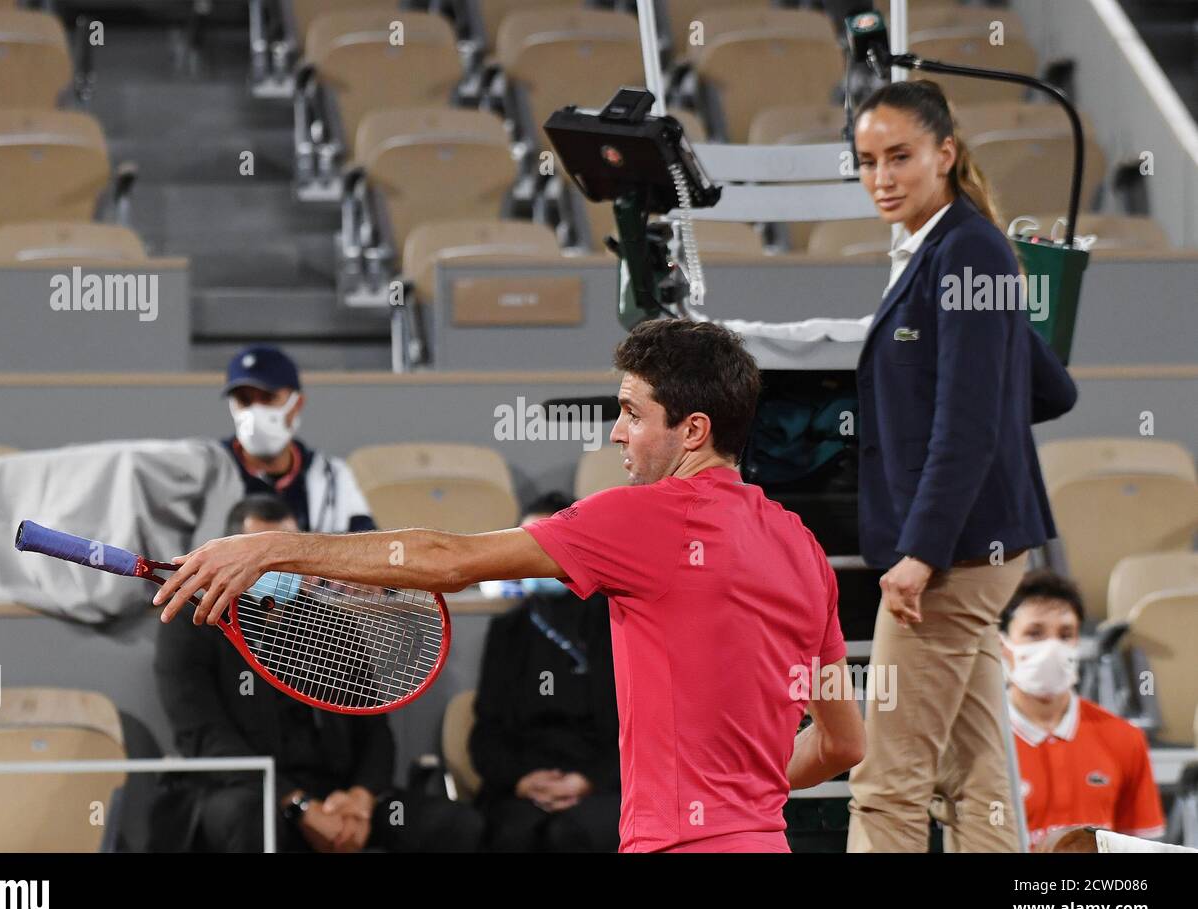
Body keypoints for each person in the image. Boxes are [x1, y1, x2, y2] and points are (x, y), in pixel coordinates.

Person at [153, 318, 867, 854]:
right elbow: (843, 744)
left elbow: (446, 557)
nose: (616, 433)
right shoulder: (802, 547)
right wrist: (743, 795)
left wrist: (278, 547)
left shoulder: (643, 518)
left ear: (694, 430)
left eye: (632, 412)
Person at [844, 80, 1079, 853]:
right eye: (868, 161)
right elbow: (1051, 388)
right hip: (979, 551)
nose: (882, 176)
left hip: (949, 558)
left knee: (886, 782)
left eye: (900, 156)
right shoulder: (963, 246)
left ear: (945, 154)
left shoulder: (967, 248)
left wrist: (920, 551)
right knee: (978, 781)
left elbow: (971, 419)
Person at [153, 494, 482, 853]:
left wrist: (360, 799)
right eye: (264, 558)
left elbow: (375, 732)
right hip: (251, 794)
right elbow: (203, 738)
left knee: (455, 825)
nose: (279, 569)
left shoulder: (331, 622)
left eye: (285, 554)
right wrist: (297, 805)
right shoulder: (194, 623)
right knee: (249, 817)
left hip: (338, 795)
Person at [470, 492, 621, 853]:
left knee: (572, 834)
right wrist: (523, 782)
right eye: (526, 543)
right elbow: (487, 731)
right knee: (513, 833)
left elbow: (638, 726)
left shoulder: (613, 623)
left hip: (602, 781)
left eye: (546, 543)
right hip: (523, 780)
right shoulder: (508, 630)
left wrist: (587, 781)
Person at [994, 570, 1164, 850]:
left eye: (1065, 634)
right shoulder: (979, 742)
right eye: (1034, 633)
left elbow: (1139, 850)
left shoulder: (1124, 738)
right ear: (1003, 644)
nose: (1051, 647)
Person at [221, 344, 375, 534]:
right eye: (244, 400)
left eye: (268, 397)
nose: (255, 411)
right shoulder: (207, 472)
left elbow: (367, 549)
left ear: (297, 403)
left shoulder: (333, 477)